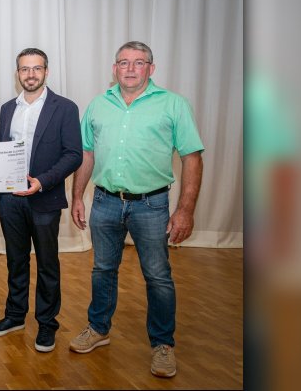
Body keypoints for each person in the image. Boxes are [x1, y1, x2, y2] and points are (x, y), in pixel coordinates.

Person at [70, 41, 204, 378]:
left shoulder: (173, 105)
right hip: (104, 202)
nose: (130, 68)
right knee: (103, 270)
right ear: (114, 69)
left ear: (151, 69)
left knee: (158, 276)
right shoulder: (98, 105)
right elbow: (86, 154)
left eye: (139, 62)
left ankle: (162, 344)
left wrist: (185, 210)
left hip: (152, 205)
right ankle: (98, 329)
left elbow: (192, 157)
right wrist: (76, 197)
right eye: (124, 62)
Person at [0, 48, 82, 352]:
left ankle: (47, 325)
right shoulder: (7, 108)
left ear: (46, 72)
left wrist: (42, 182)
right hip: (11, 198)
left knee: (47, 264)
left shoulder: (64, 108)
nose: (30, 74)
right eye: (25, 69)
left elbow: (73, 155)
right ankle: (14, 316)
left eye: (36, 69)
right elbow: (3, 145)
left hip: (44, 198)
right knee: (15, 261)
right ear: (18, 74)